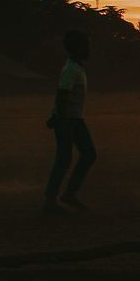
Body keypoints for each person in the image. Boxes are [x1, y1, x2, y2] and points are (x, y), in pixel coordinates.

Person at [44, 30, 96, 213]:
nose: (89, 50)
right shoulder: (71, 70)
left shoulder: (75, 68)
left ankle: (67, 195)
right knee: (65, 159)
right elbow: (61, 95)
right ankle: (51, 201)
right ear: (77, 49)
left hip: (73, 119)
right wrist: (58, 117)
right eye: (85, 46)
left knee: (87, 154)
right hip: (67, 120)